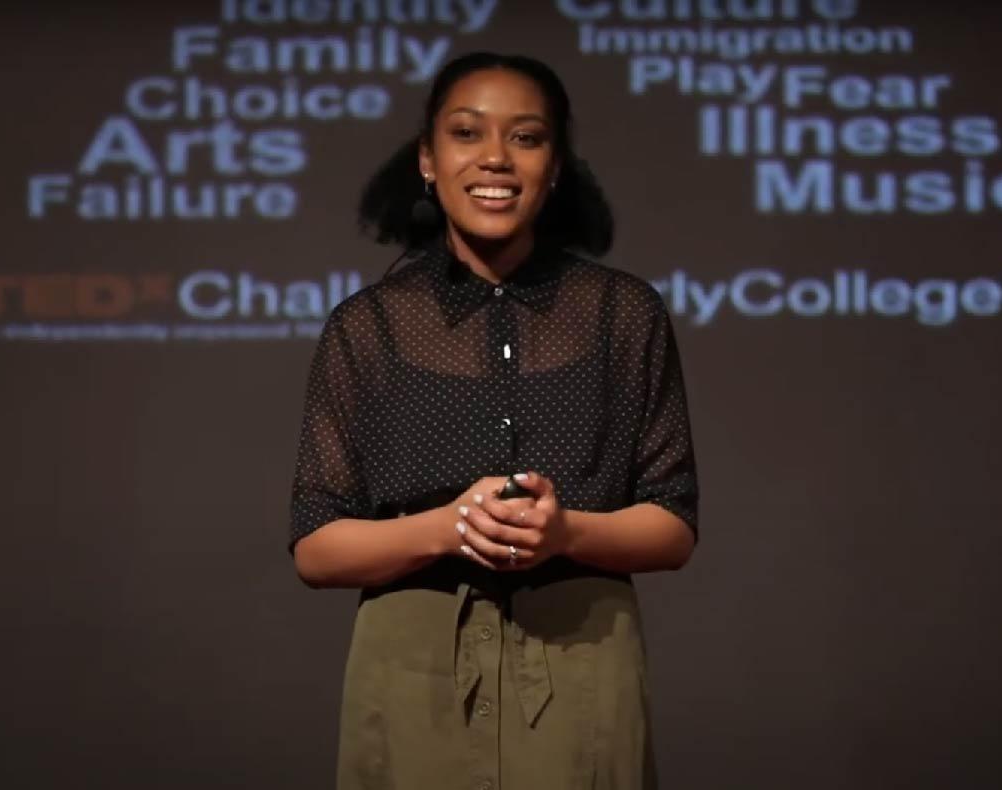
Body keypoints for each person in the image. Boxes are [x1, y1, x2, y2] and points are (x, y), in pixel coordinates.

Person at [288, 51, 699, 790]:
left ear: (556, 165)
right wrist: (450, 527)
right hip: (411, 668)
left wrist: (565, 532)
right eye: (467, 133)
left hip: (582, 656)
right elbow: (317, 545)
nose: (495, 159)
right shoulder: (366, 327)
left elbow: (672, 523)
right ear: (427, 158)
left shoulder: (622, 314)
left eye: (527, 137)